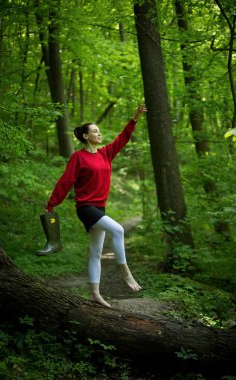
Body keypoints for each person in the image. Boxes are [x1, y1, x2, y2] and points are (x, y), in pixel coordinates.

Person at [44, 104, 147, 307]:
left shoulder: (106, 153)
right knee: (118, 230)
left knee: (95, 252)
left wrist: (134, 119)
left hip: (100, 208)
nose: (99, 133)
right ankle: (125, 273)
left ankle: (95, 294)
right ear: (85, 136)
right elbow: (65, 181)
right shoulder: (78, 157)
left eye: (99, 131)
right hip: (86, 207)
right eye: (94, 131)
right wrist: (51, 204)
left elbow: (122, 138)